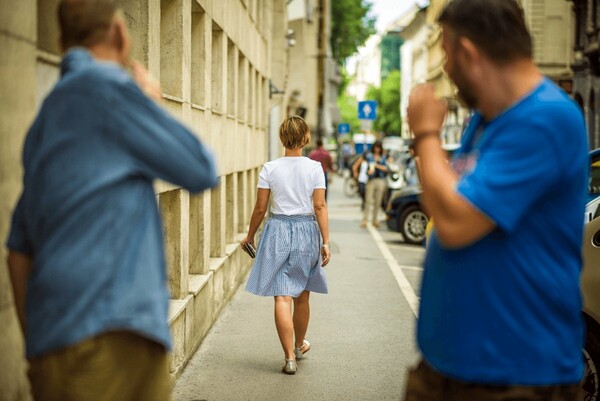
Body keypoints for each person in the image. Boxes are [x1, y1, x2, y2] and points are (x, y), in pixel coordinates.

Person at [5, 1, 218, 400]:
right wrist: (151, 105)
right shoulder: (108, 90)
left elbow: (18, 251)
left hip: (57, 345)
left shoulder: (47, 117)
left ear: (60, 40)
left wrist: (40, 345)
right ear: (120, 35)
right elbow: (199, 168)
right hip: (113, 340)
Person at [404, 0, 587, 400]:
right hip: (454, 367)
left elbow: (454, 223)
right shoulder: (487, 119)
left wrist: (426, 135)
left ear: (468, 52)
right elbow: (441, 203)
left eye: (448, 55)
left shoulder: (544, 118)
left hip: (512, 377)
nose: (447, 71)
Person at [241, 116, 330, 375]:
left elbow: (260, 208)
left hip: (277, 230)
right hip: (306, 231)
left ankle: (289, 357)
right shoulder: (314, 168)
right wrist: (325, 242)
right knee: (302, 295)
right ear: (305, 138)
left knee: (281, 296)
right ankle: (300, 345)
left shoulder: (270, 168)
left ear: (282, 138)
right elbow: (320, 207)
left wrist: (249, 236)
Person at [355, 141, 388, 228]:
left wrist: (376, 165)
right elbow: (362, 162)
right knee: (368, 200)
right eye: (376, 147)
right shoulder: (369, 156)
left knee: (378, 201)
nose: (377, 149)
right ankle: (365, 220)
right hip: (371, 180)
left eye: (378, 147)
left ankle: (375, 219)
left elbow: (386, 168)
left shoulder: (383, 157)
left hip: (380, 180)